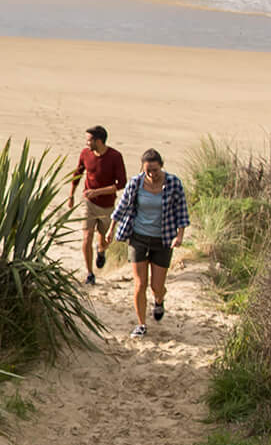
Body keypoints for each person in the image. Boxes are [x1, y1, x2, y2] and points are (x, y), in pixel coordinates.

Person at [111, 147, 189, 336]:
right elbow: (122, 206)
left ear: (161, 166)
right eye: (148, 170)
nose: (152, 174)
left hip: (163, 239)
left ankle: (159, 300)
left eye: (155, 169)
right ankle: (141, 324)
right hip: (138, 237)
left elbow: (182, 212)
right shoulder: (136, 183)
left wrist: (179, 236)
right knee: (140, 283)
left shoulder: (173, 183)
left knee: (156, 286)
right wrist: (110, 230)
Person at [68, 125, 127, 284]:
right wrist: (71, 195)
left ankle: (101, 252)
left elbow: (121, 183)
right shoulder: (85, 154)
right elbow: (77, 174)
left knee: (104, 240)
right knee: (87, 236)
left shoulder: (115, 156)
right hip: (88, 202)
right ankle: (90, 273)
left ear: (99, 141)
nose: (86, 143)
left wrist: (98, 192)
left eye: (89, 140)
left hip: (107, 205)